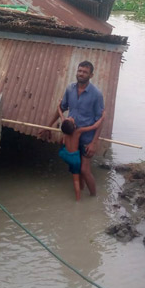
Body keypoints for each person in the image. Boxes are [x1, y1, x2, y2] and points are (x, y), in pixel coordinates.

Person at [46, 60, 105, 197]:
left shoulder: (96, 94)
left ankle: (93, 197)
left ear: (91, 75)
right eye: (80, 71)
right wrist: (48, 127)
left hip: (86, 138)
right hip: (72, 135)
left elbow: (99, 121)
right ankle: (81, 194)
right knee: (77, 169)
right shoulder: (70, 89)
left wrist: (93, 143)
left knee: (84, 170)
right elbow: (61, 108)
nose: (81, 74)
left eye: (85, 72)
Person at [59, 116, 102, 201]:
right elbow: (94, 127)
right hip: (75, 159)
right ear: (74, 125)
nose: (70, 117)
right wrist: (102, 118)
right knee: (76, 181)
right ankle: (78, 200)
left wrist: (59, 109)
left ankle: (81, 189)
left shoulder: (65, 132)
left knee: (77, 175)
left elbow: (62, 118)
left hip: (66, 155)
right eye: (71, 119)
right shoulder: (78, 131)